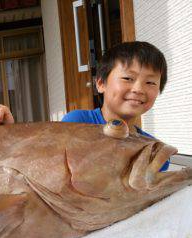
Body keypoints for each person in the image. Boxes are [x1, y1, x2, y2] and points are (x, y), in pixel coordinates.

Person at [62, 41, 169, 171]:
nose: (138, 89)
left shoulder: (154, 151)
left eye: (150, 82)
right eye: (128, 78)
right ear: (101, 84)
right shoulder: (77, 123)